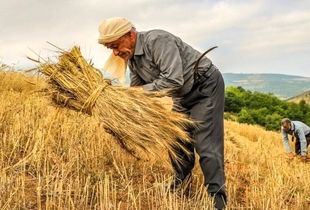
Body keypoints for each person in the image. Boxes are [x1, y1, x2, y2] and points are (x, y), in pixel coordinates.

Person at [98, 17, 227, 209]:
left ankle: (217, 199)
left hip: (204, 87)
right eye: (111, 48)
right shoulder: (132, 59)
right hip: (181, 95)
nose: (116, 52)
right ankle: (179, 183)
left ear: (130, 35)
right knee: (177, 140)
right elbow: (138, 91)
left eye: (116, 45)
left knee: (205, 144)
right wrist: (118, 110)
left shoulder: (158, 41)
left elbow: (173, 80)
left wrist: (136, 92)